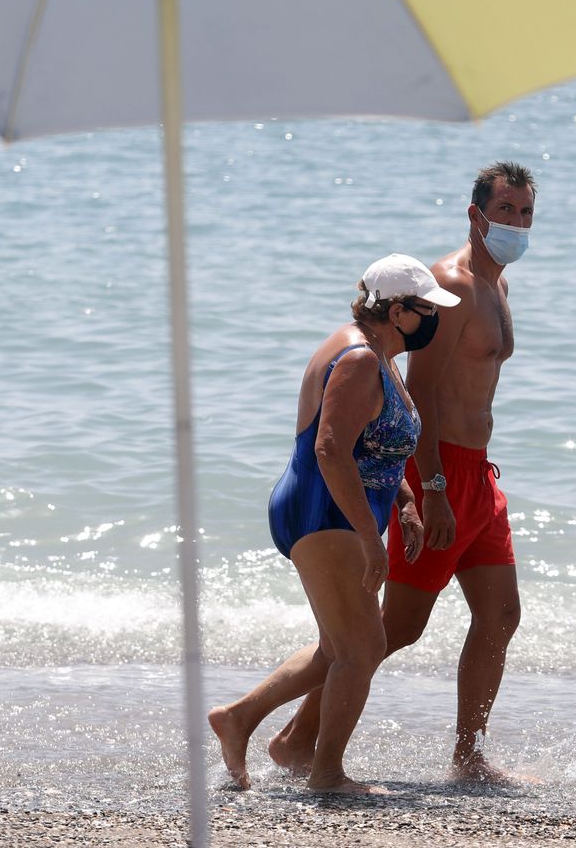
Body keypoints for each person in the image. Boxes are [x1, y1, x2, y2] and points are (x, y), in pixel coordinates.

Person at [270, 161, 536, 783]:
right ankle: (292, 735)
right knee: (393, 628)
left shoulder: (498, 286)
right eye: (506, 211)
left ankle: (469, 756)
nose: (518, 224)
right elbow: (424, 393)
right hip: (440, 473)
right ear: (476, 215)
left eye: (526, 212)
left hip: (480, 475)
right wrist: (432, 488)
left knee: (501, 614)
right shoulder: (453, 286)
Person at [208, 254, 460, 794]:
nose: (434, 320)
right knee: (362, 648)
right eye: (427, 310)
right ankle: (326, 775)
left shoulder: (380, 355)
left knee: (337, 647)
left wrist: (407, 502)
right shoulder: (359, 358)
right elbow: (330, 449)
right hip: (324, 510)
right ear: (397, 311)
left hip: (341, 509)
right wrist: (371, 541)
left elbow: (378, 444)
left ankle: (239, 719)